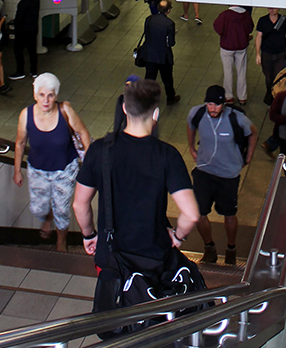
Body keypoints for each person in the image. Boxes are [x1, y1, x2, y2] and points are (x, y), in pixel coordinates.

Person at [73, 78, 199, 266]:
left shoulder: (99, 150)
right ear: (156, 113)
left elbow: (80, 204)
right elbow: (191, 214)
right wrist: (178, 236)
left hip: (111, 255)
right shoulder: (168, 155)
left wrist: (89, 234)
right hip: (153, 256)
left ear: (124, 109)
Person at [13, 72, 90, 253]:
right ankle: (47, 217)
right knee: (37, 208)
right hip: (37, 170)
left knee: (61, 210)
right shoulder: (26, 115)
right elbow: (20, 143)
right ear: (35, 95)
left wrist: (89, 160)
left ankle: (61, 242)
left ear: (56, 95)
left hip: (65, 169)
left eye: (50, 95)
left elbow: (83, 133)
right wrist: (17, 170)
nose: (46, 100)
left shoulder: (65, 111)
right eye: (42, 95)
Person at [187, 85, 258, 265]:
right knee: (199, 214)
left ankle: (231, 250)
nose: (213, 109)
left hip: (227, 176)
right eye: (209, 104)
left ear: (223, 104)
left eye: (217, 105)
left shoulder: (236, 118)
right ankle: (209, 248)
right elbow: (190, 125)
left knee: (229, 214)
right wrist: (191, 147)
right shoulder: (197, 113)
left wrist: (248, 156)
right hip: (204, 172)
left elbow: (253, 132)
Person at [213, 4, 254, 105]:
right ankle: (242, 96)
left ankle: (228, 96)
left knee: (228, 72)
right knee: (241, 71)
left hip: (227, 47)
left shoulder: (225, 15)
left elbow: (217, 28)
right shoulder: (245, 14)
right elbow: (250, 28)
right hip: (241, 46)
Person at [142, 0, 180, 105]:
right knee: (167, 78)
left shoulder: (149, 19)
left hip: (150, 54)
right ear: (168, 10)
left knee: (149, 77)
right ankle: (170, 98)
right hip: (164, 56)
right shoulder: (169, 23)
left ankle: (146, 98)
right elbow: (171, 43)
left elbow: (146, 34)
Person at [254, 7, 286, 102]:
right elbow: (258, 37)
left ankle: (275, 95)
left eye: (273, 8)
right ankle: (270, 92)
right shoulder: (263, 20)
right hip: (266, 53)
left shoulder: (284, 20)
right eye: (269, 8)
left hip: (280, 53)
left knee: (278, 76)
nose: (271, 10)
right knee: (268, 77)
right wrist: (257, 54)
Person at [10, 0, 40, 80]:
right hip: (33, 29)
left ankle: (20, 71)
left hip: (22, 31)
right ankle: (34, 71)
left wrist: (15, 26)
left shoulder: (23, 3)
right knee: (32, 51)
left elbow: (19, 18)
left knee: (18, 50)